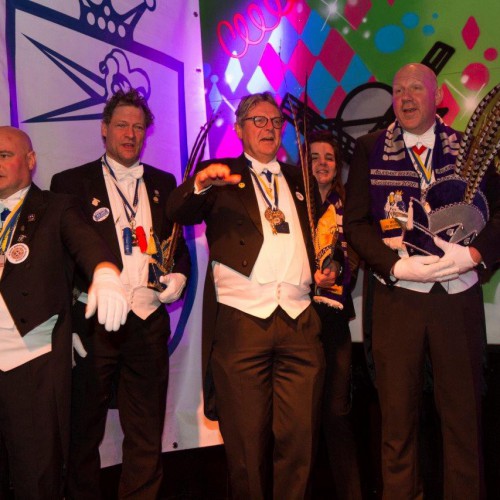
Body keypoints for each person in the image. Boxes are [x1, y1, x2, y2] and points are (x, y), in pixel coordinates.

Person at [166, 92, 336, 499]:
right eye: (258, 120)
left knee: (300, 440)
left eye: (275, 121)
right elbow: (177, 211)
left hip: (299, 320)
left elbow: (324, 237)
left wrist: (328, 268)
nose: (268, 128)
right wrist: (200, 184)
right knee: (245, 445)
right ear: (240, 129)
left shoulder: (300, 179)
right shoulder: (219, 175)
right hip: (242, 322)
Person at [344, 63, 500, 499]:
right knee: (397, 422)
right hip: (398, 300)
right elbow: (355, 224)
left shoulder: (470, 149)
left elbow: (499, 215)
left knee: (463, 420)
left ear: (437, 96)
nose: (406, 98)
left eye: (416, 88)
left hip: (456, 297)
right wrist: (394, 267)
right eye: (398, 91)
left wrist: (472, 255)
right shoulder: (370, 148)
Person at [51, 89, 190, 499]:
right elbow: (62, 259)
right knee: (83, 433)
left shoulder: (164, 183)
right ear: (104, 129)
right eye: (122, 126)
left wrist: (179, 275)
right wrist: (66, 326)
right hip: (94, 324)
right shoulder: (70, 183)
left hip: (148, 323)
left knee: (146, 434)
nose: (130, 134)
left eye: (138, 127)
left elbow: (177, 247)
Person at [0, 126, 128, 498]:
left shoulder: (55, 207)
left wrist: (105, 272)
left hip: (30, 362)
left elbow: (89, 244)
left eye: (4, 155)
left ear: (30, 160)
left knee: (36, 478)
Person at [308, 130, 362, 500]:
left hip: (335, 320)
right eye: (314, 157)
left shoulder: (350, 206)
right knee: (303, 417)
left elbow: (356, 252)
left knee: (337, 413)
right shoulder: (294, 203)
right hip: (300, 318)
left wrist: (339, 268)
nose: (322, 163)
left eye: (329, 157)